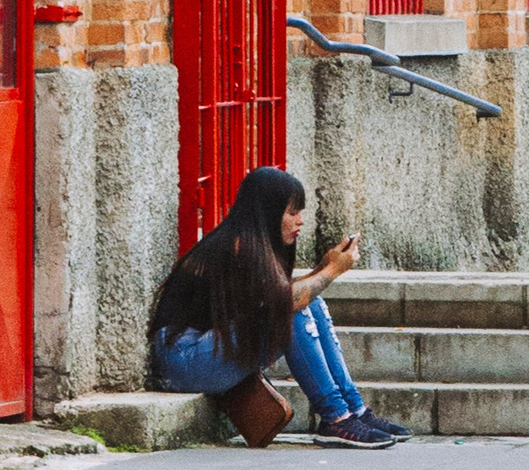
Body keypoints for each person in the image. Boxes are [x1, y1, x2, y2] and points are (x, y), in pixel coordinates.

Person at [147, 166, 404, 448]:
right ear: (268, 212)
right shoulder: (235, 246)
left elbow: (283, 297)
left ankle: (354, 410)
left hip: (201, 350)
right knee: (290, 312)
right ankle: (335, 417)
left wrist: (323, 267)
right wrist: (331, 272)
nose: (300, 221)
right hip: (183, 358)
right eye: (292, 212)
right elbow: (283, 303)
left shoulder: (249, 244)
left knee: (312, 304)